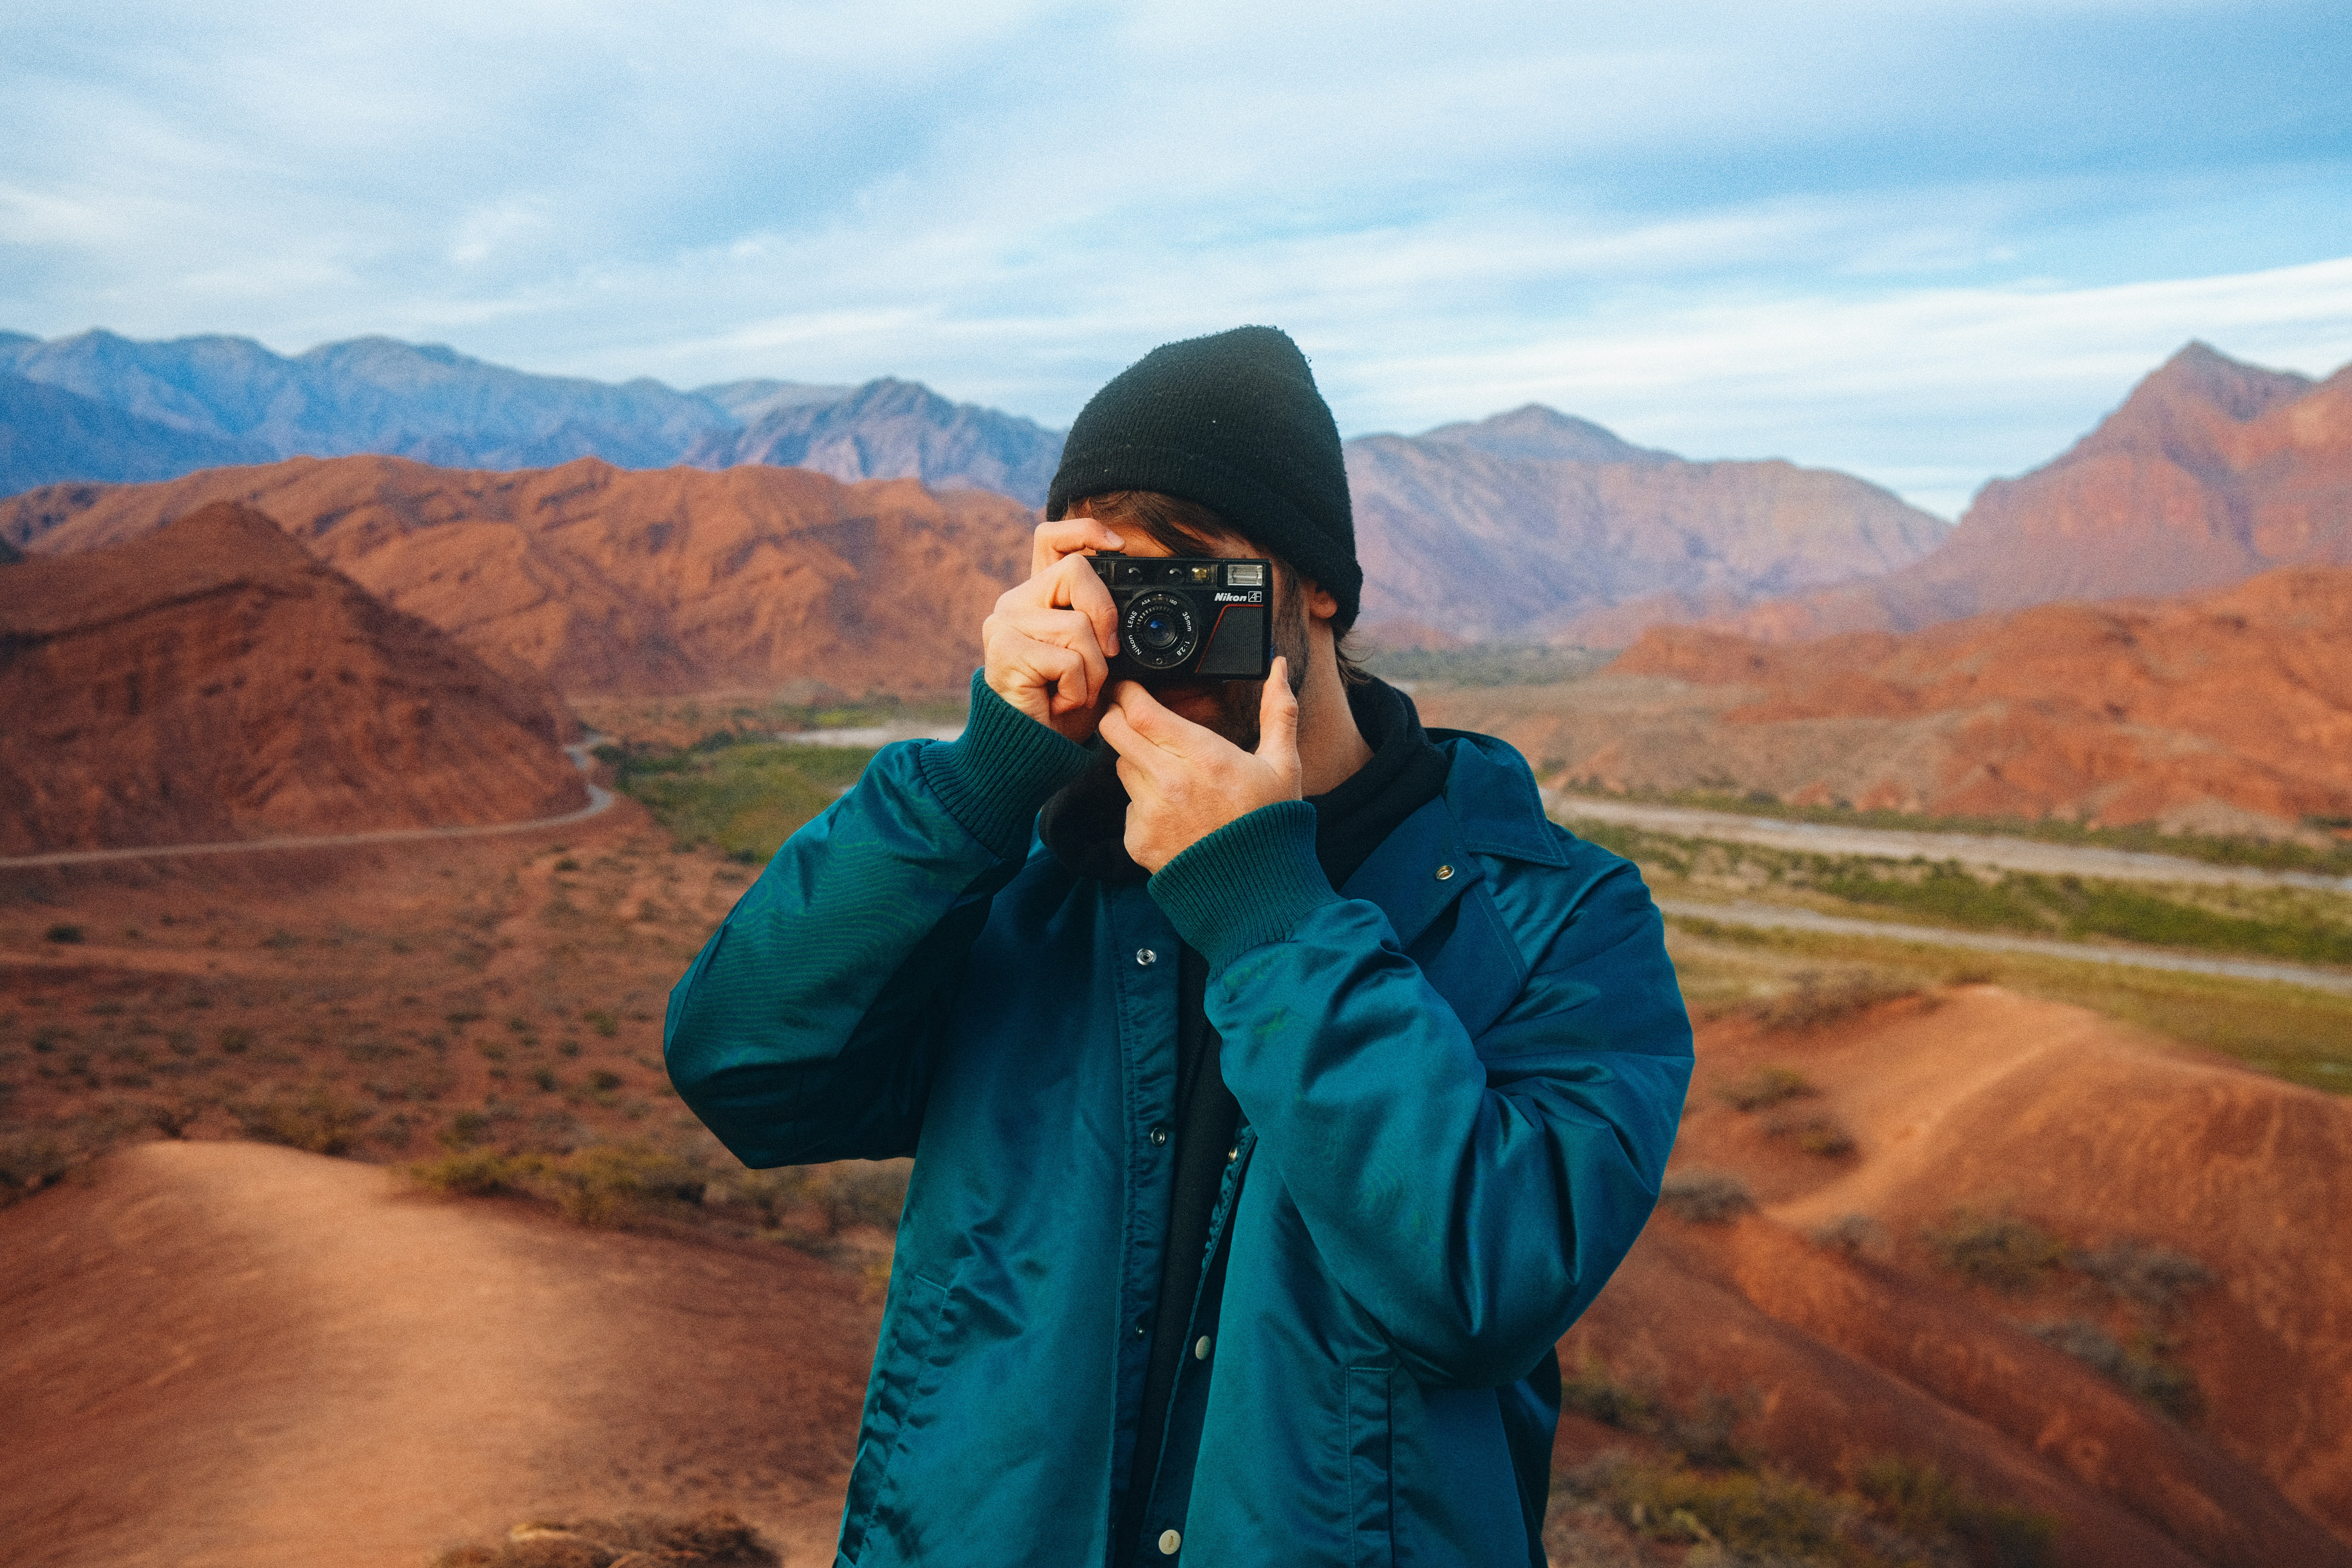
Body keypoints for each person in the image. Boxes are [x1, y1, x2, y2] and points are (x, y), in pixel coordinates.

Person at [664, 325, 1692, 1567]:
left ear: (1314, 588)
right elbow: (746, 1074)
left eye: (1190, 579)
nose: (1149, 625)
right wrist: (987, 772)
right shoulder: (1023, 880)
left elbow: (1483, 1286)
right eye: (1110, 585)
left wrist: (1271, 917)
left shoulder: (1560, 919)